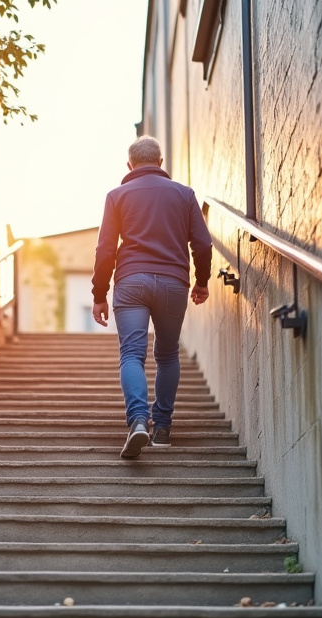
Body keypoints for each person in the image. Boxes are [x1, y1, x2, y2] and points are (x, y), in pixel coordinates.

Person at [91, 136, 211, 458]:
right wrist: (202, 282)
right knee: (168, 354)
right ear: (160, 161)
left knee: (132, 354)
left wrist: (99, 293)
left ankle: (138, 421)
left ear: (129, 165)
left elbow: (105, 249)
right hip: (173, 283)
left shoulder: (117, 196)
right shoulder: (184, 195)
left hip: (131, 281)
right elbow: (202, 244)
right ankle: (162, 427)